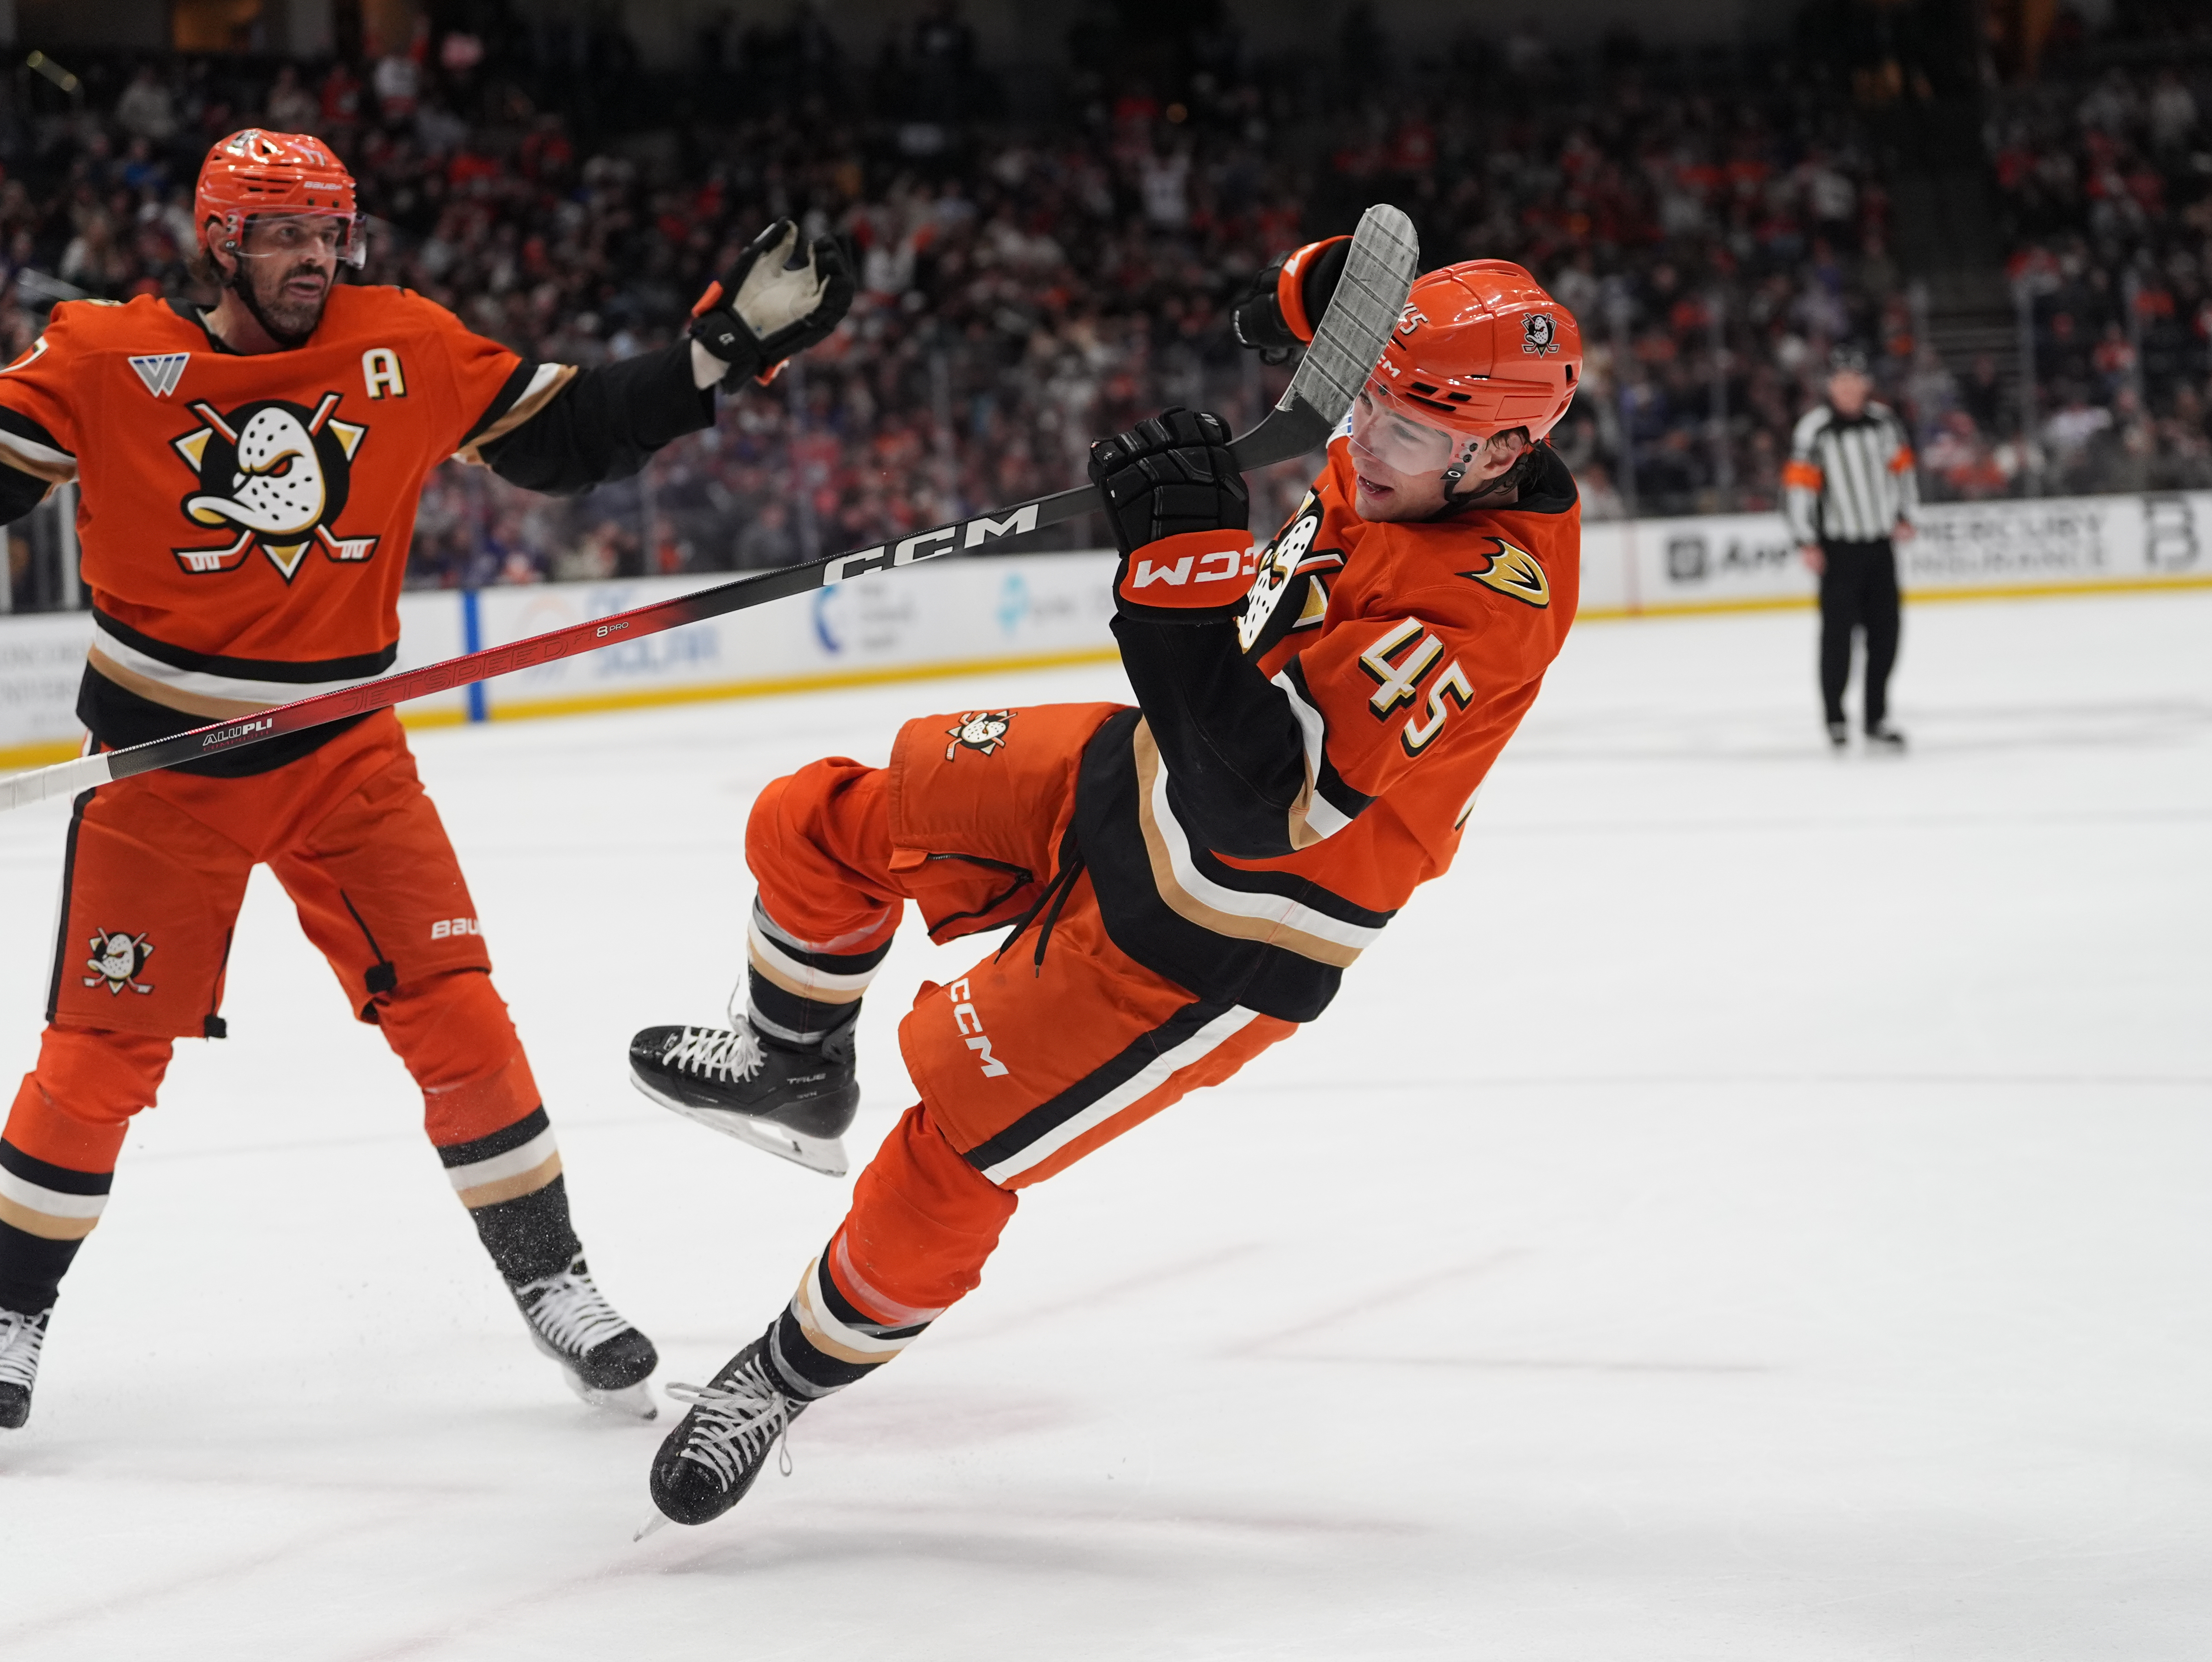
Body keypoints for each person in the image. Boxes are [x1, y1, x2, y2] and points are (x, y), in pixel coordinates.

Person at [0, 130, 852, 1460]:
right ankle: (8, 1305)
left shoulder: (405, 343)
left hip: (346, 757)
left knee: (460, 1017)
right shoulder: (106, 356)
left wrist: (719, 349)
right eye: (284, 233)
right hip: (166, 771)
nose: (315, 258)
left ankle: (553, 1278)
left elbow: (565, 440)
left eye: (330, 233)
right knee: (99, 1063)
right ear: (222, 241)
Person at [622, 254, 1585, 1529]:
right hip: (1141, 775)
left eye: (1399, 430)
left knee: (943, 1166)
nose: (1364, 439)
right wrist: (1305, 298)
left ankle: (779, 1379)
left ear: (1499, 449)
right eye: (1363, 402)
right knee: (814, 817)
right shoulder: (1428, 425)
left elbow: (1260, 802)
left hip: (1220, 932)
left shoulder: (1482, 612)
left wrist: (1177, 584)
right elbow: (1343, 318)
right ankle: (795, 1066)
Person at [1783, 344, 1919, 751]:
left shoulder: (1885, 424)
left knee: (1887, 635)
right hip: (1838, 549)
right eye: (1840, 381)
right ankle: (1836, 718)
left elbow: (1903, 473)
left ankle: (1876, 717)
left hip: (1879, 545)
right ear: (1831, 385)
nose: (1847, 388)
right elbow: (1799, 490)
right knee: (1837, 638)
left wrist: (1907, 515)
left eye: (1854, 381)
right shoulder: (1814, 430)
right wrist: (1806, 539)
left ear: (1866, 384)